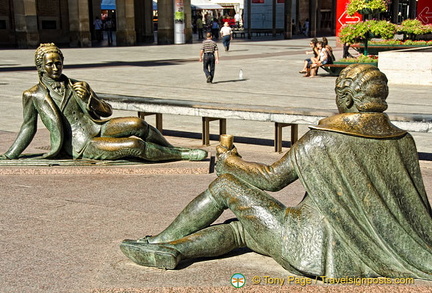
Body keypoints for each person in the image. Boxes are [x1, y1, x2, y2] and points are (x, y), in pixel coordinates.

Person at [121, 64, 432, 280]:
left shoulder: (321, 139)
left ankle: (161, 241)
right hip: (363, 256)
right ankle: (175, 251)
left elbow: (271, 179)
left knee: (227, 188)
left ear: (347, 97)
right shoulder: (403, 141)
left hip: (308, 247)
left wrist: (230, 162)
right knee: (243, 228)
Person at [0, 43, 207, 162]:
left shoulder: (77, 84)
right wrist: (10, 155)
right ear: (40, 67)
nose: (55, 68)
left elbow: (106, 111)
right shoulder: (33, 95)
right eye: (50, 64)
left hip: (98, 127)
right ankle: (180, 154)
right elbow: (28, 127)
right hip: (82, 144)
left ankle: (170, 148)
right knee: (134, 144)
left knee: (139, 124)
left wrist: (89, 98)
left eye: (58, 63)